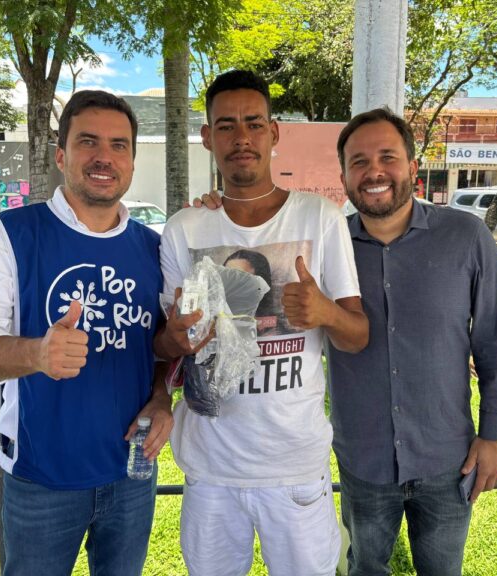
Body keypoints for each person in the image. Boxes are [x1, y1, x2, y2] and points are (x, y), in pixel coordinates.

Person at [155, 70, 369, 576]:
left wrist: (325, 312)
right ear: (207, 137)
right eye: (225, 126)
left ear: (274, 133)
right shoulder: (184, 228)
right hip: (211, 469)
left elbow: (358, 335)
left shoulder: (320, 217)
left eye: (253, 123)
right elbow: (164, 347)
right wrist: (176, 339)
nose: (241, 138)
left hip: (294, 467)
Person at [0, 90, 172, 576]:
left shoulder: (154, 247)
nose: (104, 157)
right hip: (41, 479)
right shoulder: (10, 234)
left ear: (132, 160)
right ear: (60, 155)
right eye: (88, 141)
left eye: (119, 145)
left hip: (132, 473)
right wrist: (37, 353)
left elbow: (161, 349)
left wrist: (161, 398)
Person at [329, 107, 497, 576]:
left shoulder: (466, 236)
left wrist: (495, 434)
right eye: (358, 162)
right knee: (364, 567)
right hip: (363, 459)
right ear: (343, 175)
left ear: (412, 166)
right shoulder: (327, 246)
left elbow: (495, 340)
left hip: (446, 457)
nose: (374, 171)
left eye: (387, 157)